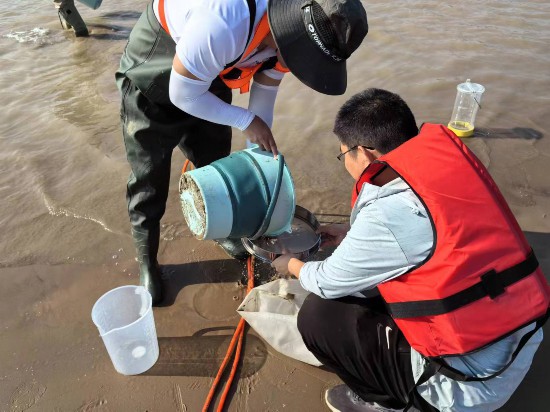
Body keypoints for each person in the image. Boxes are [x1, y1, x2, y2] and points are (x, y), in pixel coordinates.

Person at [272, 88, 550, 411]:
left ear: (365, 154)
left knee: (317, 317)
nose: (345, 161)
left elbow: (326, 281)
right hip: (519, 345)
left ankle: (385, 402)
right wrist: (350, 233)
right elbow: (430, 230)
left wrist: (291, 264)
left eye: (344, 154)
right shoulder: (444, 163)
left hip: (467, 386)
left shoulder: (387, 213)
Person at [114, 0, 368, 305]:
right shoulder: (223, 21)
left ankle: (224, 229)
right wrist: (245, 120)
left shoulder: (291, 36)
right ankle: (148, 262)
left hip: (210, 77)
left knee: (215, 162)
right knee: (149, 179)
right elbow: (182, 93)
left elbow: (265, 89)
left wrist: (259, 160)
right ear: (291, 32)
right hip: (154, 75)